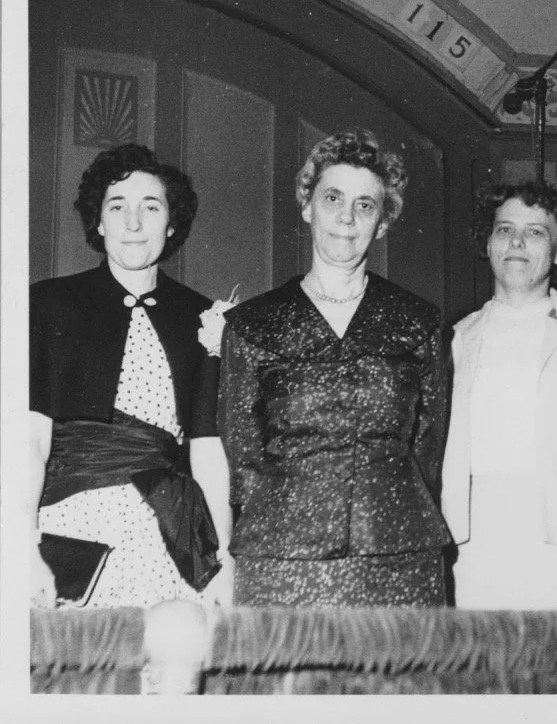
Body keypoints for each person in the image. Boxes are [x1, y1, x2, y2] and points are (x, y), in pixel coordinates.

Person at [218, 129, 451, 606]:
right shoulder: (252, 324)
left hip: (399, 553)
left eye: (365, 205)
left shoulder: (418, 321)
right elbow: (242, 460)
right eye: (332, 198)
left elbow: (430, 448)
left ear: (382, 223)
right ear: (307, 207)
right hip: (281, 557)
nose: (346, 218)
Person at [30, 143, 233, 608]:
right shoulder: (49, 304)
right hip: (71, 529)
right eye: (117, 206)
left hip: (173, 534)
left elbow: (207, 450)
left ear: (172, 223)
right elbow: (29, 441)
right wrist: (22, 544)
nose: (134, 223)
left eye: (151, 206)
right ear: (98, 223)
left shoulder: (201, 316)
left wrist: (222, 555)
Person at [441, 181, 557, 609]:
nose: (516, 242)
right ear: (488, 244)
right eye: (504, 229)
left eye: (535, 232)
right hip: (474, 535)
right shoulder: (456, 338)